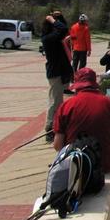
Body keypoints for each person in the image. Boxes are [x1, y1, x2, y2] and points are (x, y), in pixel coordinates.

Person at [53, 68, 110, 173]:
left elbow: (57, 145)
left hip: (75, 165)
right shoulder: (109, 103)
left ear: (77, 86)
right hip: (104, 163)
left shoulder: (65, 106)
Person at [41, 12, 73, 141]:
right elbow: (63, 29)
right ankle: (50, 128)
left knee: (59, 102)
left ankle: (58, 125)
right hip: (55, 73)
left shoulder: (55, 37)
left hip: (61, 72)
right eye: (55, 22)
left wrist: (59, 17)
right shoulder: (48, 39)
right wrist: (52, 19)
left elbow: (64, 27)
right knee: (54, 101)